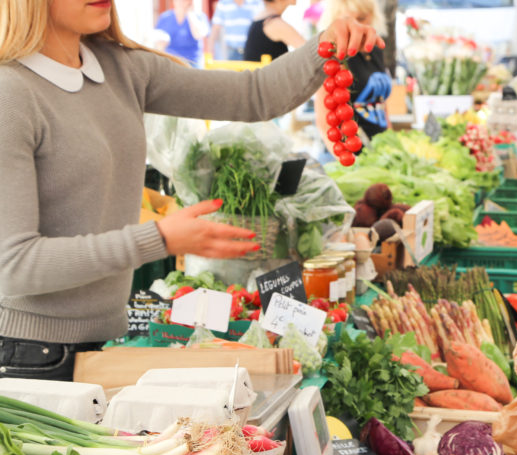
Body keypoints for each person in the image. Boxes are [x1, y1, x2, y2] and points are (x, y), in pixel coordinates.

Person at [0, 0, 383, 381]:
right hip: (28, 356)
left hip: (101, 345)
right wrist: (159, 238)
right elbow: (12, 266)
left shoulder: (121, 67)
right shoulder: (10, 94)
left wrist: (325, 45)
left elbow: (254, 94)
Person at [314, 0, 390, 144]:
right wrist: (346, 159)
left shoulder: (376, 50)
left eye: (361, 18)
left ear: (373, 16)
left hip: (381, 147)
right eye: (347, 20)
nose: (356, 25)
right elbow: (325, 120)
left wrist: (391, 138)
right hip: (351, 147)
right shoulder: (334, 56)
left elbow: (382, 103)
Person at [154, 0, 210, 68]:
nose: (180, 2)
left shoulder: (199, 16)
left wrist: (190, 14)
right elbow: (157, 40)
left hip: (192, 62)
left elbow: (198, 35)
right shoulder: (165, 17)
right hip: (171, 61)